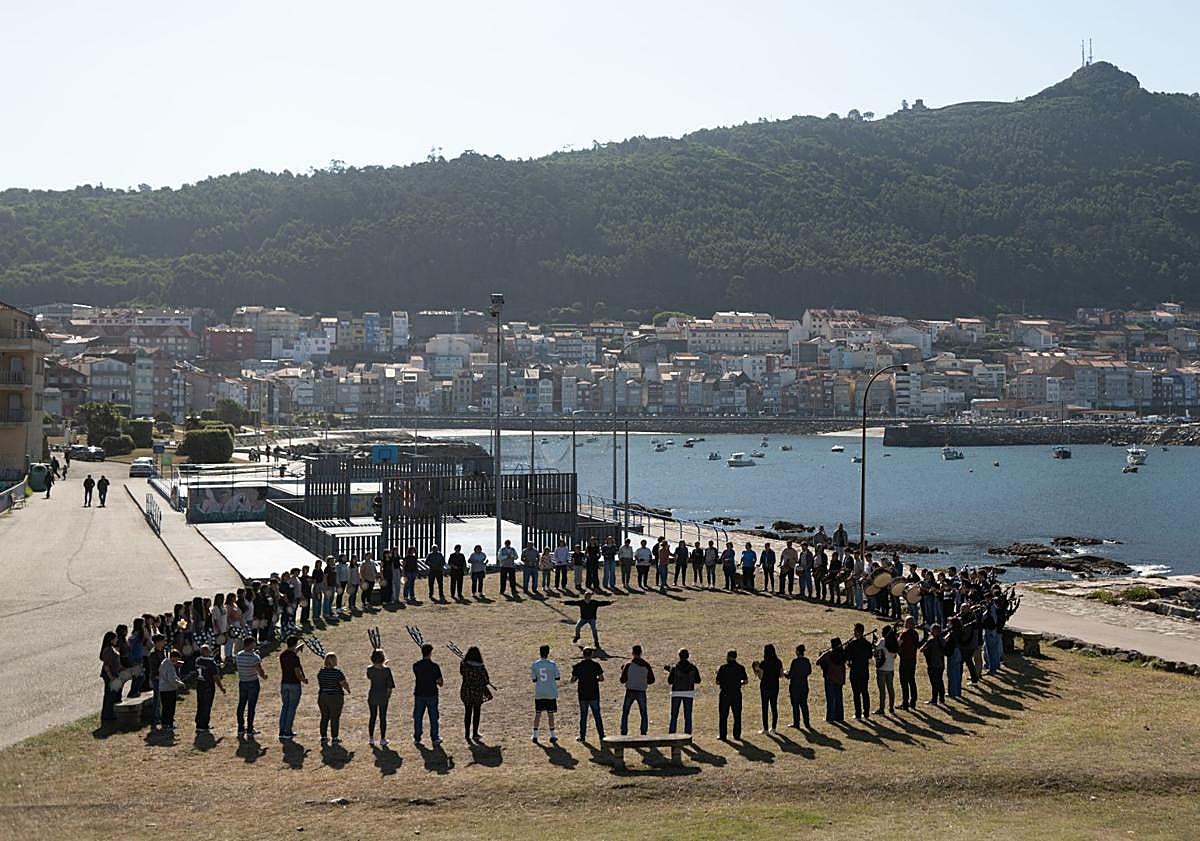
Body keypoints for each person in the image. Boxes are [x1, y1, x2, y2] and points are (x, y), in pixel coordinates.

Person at [235, 637, 267, 739]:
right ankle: (249, 729)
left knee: (241, 705)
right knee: (251, 707)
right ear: (250, 645)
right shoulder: (255, 657)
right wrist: (264, 676)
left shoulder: (239, 655)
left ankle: (240, 728)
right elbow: (260, 671)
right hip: (253, 682)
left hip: (243, 682)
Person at [619, 644, 654, 735]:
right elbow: (652, 680)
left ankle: (624, 731)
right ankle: (643, 732)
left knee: (625, 712)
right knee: (643, 713)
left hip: (630, 690)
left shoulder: (628, 665)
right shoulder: (646, 665)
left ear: (632, 653)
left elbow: (622, 680)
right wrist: (643, 681)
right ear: (641, 653)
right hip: (641, 691)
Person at [571, 646, 605, 742]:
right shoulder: (596, 665)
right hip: (594, 693)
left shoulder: (578, 666)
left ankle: (582, 736)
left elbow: (573, 680)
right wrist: (595, 680)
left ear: (583, 655)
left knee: (583, 716)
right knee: (597, 715)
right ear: (592, 654)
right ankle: (601, 735)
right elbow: (602, 678)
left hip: (582, 694)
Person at [529, 644, 561, 743]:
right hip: (550, 691)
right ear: (548, 653)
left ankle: (535, 735)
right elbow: (557, 677)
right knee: (550, 714)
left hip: (539, 692)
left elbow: (534, 679)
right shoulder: (552, 664)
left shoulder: (535, 664)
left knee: (538, 714)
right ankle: (552, 735)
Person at [412, 643, 443, 745]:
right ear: (430, 653)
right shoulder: (435, 667)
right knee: (433, 717)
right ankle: (434, 738)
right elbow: (440, 682)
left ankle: (417, 737)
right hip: (432, 693)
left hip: (419, 693)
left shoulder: (416, 666)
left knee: (418, 717)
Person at [278, 635, 307, 741]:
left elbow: (291, 655)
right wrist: (303, 679)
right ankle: (288, 731)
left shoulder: (283, 655)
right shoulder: (294, 657)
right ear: (295, 644)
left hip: (284, 683)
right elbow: (297, 672)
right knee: (291, 708)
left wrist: (298, 649)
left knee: (285, 707)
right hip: (294, 684)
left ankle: (282, 731)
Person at [459, 646, 491, 741]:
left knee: (467, 712)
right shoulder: (480, 667)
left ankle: (467, 733)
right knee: (476, 712)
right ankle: (475, 733)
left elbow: (461, 672)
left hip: (466, 691)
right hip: (477, 692)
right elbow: (486, 680)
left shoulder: (464, 665)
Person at [316, 652, 349, 744]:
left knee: (324, 717)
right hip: (335, 696)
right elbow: (343, 683)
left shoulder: (321, 672)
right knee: (334, 717)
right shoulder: (337, 673)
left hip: (323, 696)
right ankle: (334, 737)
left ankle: (323, 736)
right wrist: (348, 689)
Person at [716, 649, 748, 741]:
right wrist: (738, 683)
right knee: (737, 715)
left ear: (728, 657)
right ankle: (737, 735)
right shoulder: (741, 668)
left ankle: (723, 735)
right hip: (736, 693)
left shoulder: (723, 668)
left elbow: (717, 681)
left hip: (725, 693)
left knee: (723, 715)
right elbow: (745, 681)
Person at [667, 648, 701, 735]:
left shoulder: (675, 668)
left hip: (676, 692)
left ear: (679, 656)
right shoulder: (693, 667)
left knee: (674, 716)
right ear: (688, 656)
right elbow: (698, 680)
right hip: (689, 692)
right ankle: (687, 734)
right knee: (688, 716)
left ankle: (672, 734)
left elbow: (670, 681)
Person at [367, 648, 395, 747]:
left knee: (372, 717)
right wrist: (388, 696)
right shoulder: (387, 670)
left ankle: (371, 738)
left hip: (372, 695)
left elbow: (372, 673)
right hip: (383, 696)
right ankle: (382, 739)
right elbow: (389, 686)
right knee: (382, 717)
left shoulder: (369, 669)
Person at [844, 623, 873, 720]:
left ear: (857, 632)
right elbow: (870, 656)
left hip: (855, 671)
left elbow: (846, 654)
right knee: (865, 691)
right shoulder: (867, 644)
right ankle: (866, 712)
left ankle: (858, 713)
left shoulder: (852, 644)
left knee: (856, 693)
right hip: (864, 670)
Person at [194, 645, 225, 733]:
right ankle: (203, 725)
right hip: (208, 686)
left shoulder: (198, 660)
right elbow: (215, 677)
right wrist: (221, 687)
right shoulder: (212, 664)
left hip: (200, 685)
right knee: (206, 706)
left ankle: (198, 723)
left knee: (200, 705)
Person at [816, 638, 847, 723]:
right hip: (840, 678)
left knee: (830, 699)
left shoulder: (829, 654)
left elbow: (817, 661)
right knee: (839, 698)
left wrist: (821, 654)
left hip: (830, 677)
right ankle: (839, 716)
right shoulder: (843, 654)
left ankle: (830, 717)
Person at [755, 643, 783, 733]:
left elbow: (761, 677)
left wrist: (757, 672)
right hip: (775, 686)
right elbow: (781, 675)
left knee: (765, 707)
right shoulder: (778, 662)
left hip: (765, 686)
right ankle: (774, 728)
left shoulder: (763, 663)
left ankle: (765, 729)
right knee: (774, 707)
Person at [157, 648, 185, 733]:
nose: (177, 661)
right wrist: (179, 684)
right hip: (168, 689)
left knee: (167, 707)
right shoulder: (168, 665)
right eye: (177, 659)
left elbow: (174, 676)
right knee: (168, 708)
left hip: (164, 689)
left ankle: (168, 723)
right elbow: (171, 679)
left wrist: (178, 680)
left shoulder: (166, 663)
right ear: (174, 657)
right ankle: (166, 724)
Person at [785, 644, 812, 729]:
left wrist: (786, 673)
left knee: (795, 705)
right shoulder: (807, 661)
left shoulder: (795, 662)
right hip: (804, 685)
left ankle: (796, 723)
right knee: (804, 704)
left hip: (795, 686)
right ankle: (807, 723)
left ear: (797, 652)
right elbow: (809, 671)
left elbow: (791, 675)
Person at [873, 626, 898, 715]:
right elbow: (894, 655)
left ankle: (881, 708)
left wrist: (875, 640)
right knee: (890, 688)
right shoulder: (895, 641)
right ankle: (891, 707)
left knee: (882, 690)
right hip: (890, 668)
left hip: (882, 668)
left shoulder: (883, 640)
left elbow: (875, 649)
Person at [898, 617, 920, 710]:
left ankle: (905, 702)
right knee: (911, 680)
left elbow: (898, 643)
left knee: (904, 682)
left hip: (905, 659)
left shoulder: (904, 633)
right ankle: (913, 701)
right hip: (912, 659)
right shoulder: (915, 633)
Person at [921, 623, 947, 705]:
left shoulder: (931, 640)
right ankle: (942, 699)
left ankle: (934, 699)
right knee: (940, 681)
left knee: (934, 682)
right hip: (941, 664)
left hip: (933, 664)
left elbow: (922, 649)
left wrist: (927, 638)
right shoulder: (942, 639)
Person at [99, 631, 121, 722]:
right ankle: (107, 715)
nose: (117, 640)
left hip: (114, 674)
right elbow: (106, 665)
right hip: (109, 675)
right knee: (109, 695)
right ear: (111, 640)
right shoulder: (108, 650)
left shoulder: (112, 648)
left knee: (112, 694)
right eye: (115, 638)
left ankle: (110, 713)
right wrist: (111, 676)